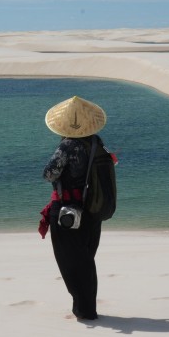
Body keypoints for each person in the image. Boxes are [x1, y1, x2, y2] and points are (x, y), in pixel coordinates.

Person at [40, 96, 108, 321]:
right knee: (86, 259)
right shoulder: (97, 142)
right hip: (92, 209)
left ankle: (84, 310)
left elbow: (49, 173)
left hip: (68, 212)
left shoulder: (67, 145)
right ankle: (86, 307)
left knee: (70, 261)